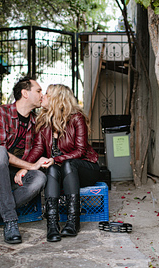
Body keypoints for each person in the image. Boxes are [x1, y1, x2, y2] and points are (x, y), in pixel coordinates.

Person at [0, 76, 53, 244]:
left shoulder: (36, 121)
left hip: (14, 175)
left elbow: (40, 150)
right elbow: (0, 151)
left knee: (40, 178)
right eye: (39, 91)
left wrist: (27, 169)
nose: (42, 94)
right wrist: (30, 165)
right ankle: (10, 222)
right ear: (25, 93)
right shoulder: (0, 112)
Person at [24, 84, 100, 242]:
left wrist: (56, 159)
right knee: (52, 169)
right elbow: (37, 149)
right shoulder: (44, 121)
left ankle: (73, 222)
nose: (42, 96)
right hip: (59, 170)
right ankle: (52, 226)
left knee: (67, 164)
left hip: (84, 168)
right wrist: (24, 168)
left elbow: (80, 151)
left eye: (46, 94)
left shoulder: (76, 118)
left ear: (57, 99)